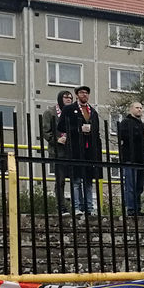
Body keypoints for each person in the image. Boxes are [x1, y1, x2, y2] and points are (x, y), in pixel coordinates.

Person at [56, 85, 101, 216]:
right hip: (75, 148)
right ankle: (76, 207)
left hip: (89, 150)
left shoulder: (92, 111)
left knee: (88, 180)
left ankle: (89, 207)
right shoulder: (70, 109)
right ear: (77, 95)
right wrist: (78, 129)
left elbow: (97, 131)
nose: (84, 95)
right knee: (76, 180)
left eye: (86, 93)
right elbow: (61, 126)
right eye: (81, 92)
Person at [41, 90, 72, 214]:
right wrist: (57, 139)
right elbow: (45, 131)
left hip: (71, 151)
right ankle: (61, 206)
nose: (69, 99)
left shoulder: (71, 113)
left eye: (70, 97)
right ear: (60, 98)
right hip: (57, 151)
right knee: (60, 180)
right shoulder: (50, 112)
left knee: (75, 180)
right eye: (66, 97)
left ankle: (77, 207)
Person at [117, 102, 144, 216]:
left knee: (139, 186)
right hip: (130, 158)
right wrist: (141, 134)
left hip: (141, 159)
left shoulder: (142, 125)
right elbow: (123, 136)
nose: (140, 110)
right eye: (137, 108)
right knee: (130, 185)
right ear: (131, 109)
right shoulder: (126, 122)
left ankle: (137, 208)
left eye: (141, 108)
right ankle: (131, 208)